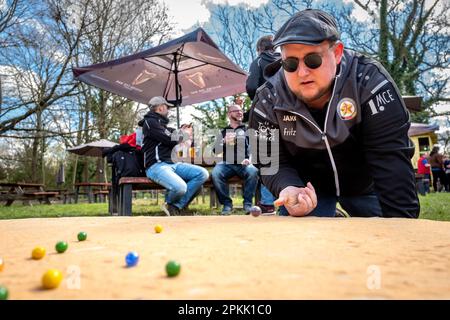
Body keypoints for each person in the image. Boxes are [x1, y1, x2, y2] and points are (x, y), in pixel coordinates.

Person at [249, 9, 419, 218]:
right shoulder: (266, 100)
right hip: (308, 192)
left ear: (337, 52)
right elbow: (268, 161)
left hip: (365, 185)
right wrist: (288, 187)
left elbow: (391, 160)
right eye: (290, 63)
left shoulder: (370, 83)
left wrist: (403, 228)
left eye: (312, 60)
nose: (302, 72)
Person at [138, 96, 209, 216]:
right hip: (156, 166)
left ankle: (174, 206)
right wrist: (183, 134)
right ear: (160, 108)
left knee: (202, 173)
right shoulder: (149, 122)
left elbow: (179, 140)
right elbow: (170, 140)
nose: (169, 110)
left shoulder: (164, 126)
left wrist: (185, 133)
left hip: (174, 164)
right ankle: (171, 205)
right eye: (167, 107)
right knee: (180, 187)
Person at [245, 35, 281, 214]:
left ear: (260, 48)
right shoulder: (285, 60)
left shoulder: (258, 62)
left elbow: (251, 87)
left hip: (266, 115)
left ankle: (268, 203)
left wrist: (257, 103)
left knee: (267, 158)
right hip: (289, 114)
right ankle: (287, 201)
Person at [211, 104, 259, 215]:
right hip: (227, 163)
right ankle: (227, 204)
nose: (240, 112)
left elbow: (254, 148)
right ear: (229, 114)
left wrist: (250, 159)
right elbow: (215, 150)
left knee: (253, 171)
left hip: (244, 163)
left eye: (241, 110)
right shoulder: (224, 131)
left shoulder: (247, 129)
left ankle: (247, 204)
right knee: (216, 173)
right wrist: (223, 142)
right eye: (236, 110)